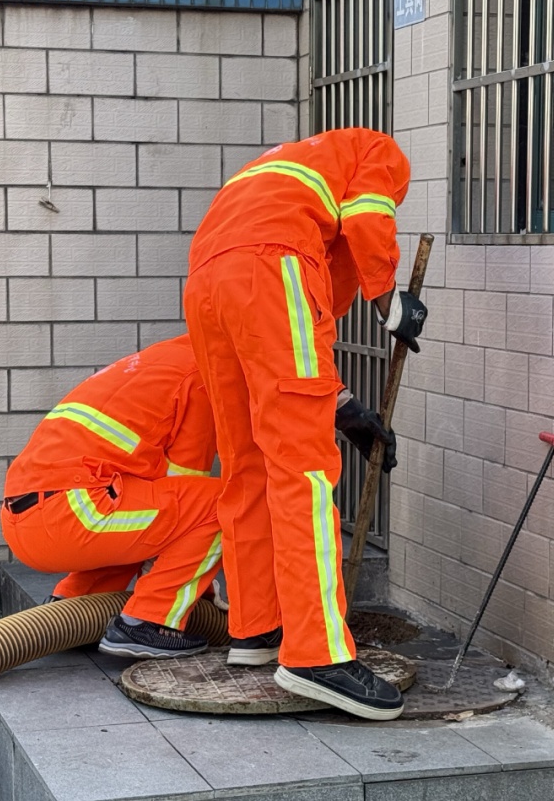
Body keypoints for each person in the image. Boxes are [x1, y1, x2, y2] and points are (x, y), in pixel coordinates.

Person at [183, 127, 428, 720]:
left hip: (207, 282)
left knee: (247, 464)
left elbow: (286, 338)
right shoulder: (377, 151)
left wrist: (345, 409)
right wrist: (392, 302)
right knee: (305, 469)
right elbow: (367, 220)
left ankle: (256, 628)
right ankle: (317, 655)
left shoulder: (285, 172)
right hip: (271, 267)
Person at [0, 334, 223, 659]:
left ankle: (75, 608)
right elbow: (184, 494)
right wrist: (185, 584)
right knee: (222, 504)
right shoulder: (201, 375)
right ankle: (149, 622)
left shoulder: (158, 363)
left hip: (27, 519)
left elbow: (162, 505)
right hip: (74, 512)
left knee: (142, 505)